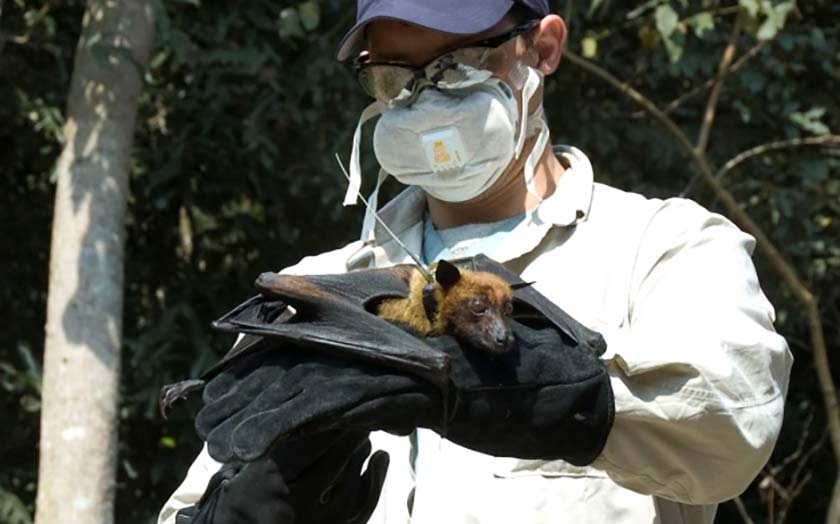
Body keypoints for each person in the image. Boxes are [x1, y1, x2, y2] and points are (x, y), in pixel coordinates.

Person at [158, 1, 793, 523]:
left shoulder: (663, 248)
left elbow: (735, 427)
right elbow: (197, 496)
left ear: (541, 48)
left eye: (457, 64)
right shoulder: (321, 290)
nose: (424, 99)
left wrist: (534, 393)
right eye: (395, 78)